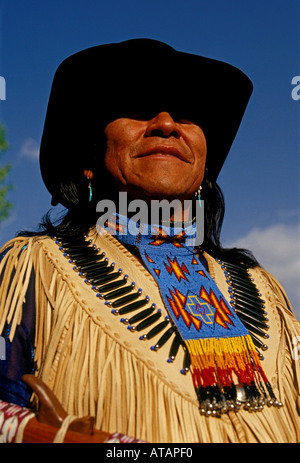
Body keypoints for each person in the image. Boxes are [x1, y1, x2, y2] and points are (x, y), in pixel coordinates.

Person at [0, 38, 299, 444]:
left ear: (203, 166)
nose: (166, 123)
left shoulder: (263, 290)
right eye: (138, 110)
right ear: (89, 159)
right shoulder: (33, 268)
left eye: (188, 114)